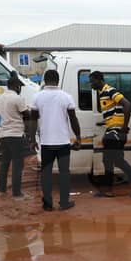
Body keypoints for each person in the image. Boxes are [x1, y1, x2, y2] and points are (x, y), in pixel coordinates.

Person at [88, 71, 131, 198]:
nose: (91, 84)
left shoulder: (109, 90)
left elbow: (127, 104)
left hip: (115, 132)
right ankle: (110, 189)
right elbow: (115, 112)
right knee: (111, 160)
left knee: (114, 160)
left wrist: (124, 128)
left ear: (99, 80)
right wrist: (105, 121)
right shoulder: (102, 93)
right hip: (112, 130)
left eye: (92, 81)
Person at [28, 69, 81, 211]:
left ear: (45, 81)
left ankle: (47, 204)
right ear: (58, 80)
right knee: (64, 173)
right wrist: (78, 137)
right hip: (63, 143)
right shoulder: (66, 97)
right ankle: (64, 203)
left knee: (46, 174)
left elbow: (33, 120)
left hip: (46, 144)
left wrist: (32, 139)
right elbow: (73, 119)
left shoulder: (37, 97)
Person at [0, 76, 32, 200]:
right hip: (16, 135)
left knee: (4, 163)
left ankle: (2, 191)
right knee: (18, 164)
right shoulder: (18, 99)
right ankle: (17, 194)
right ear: (17, 86)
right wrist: (28, 133)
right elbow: (27, 116)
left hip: (4, 136)